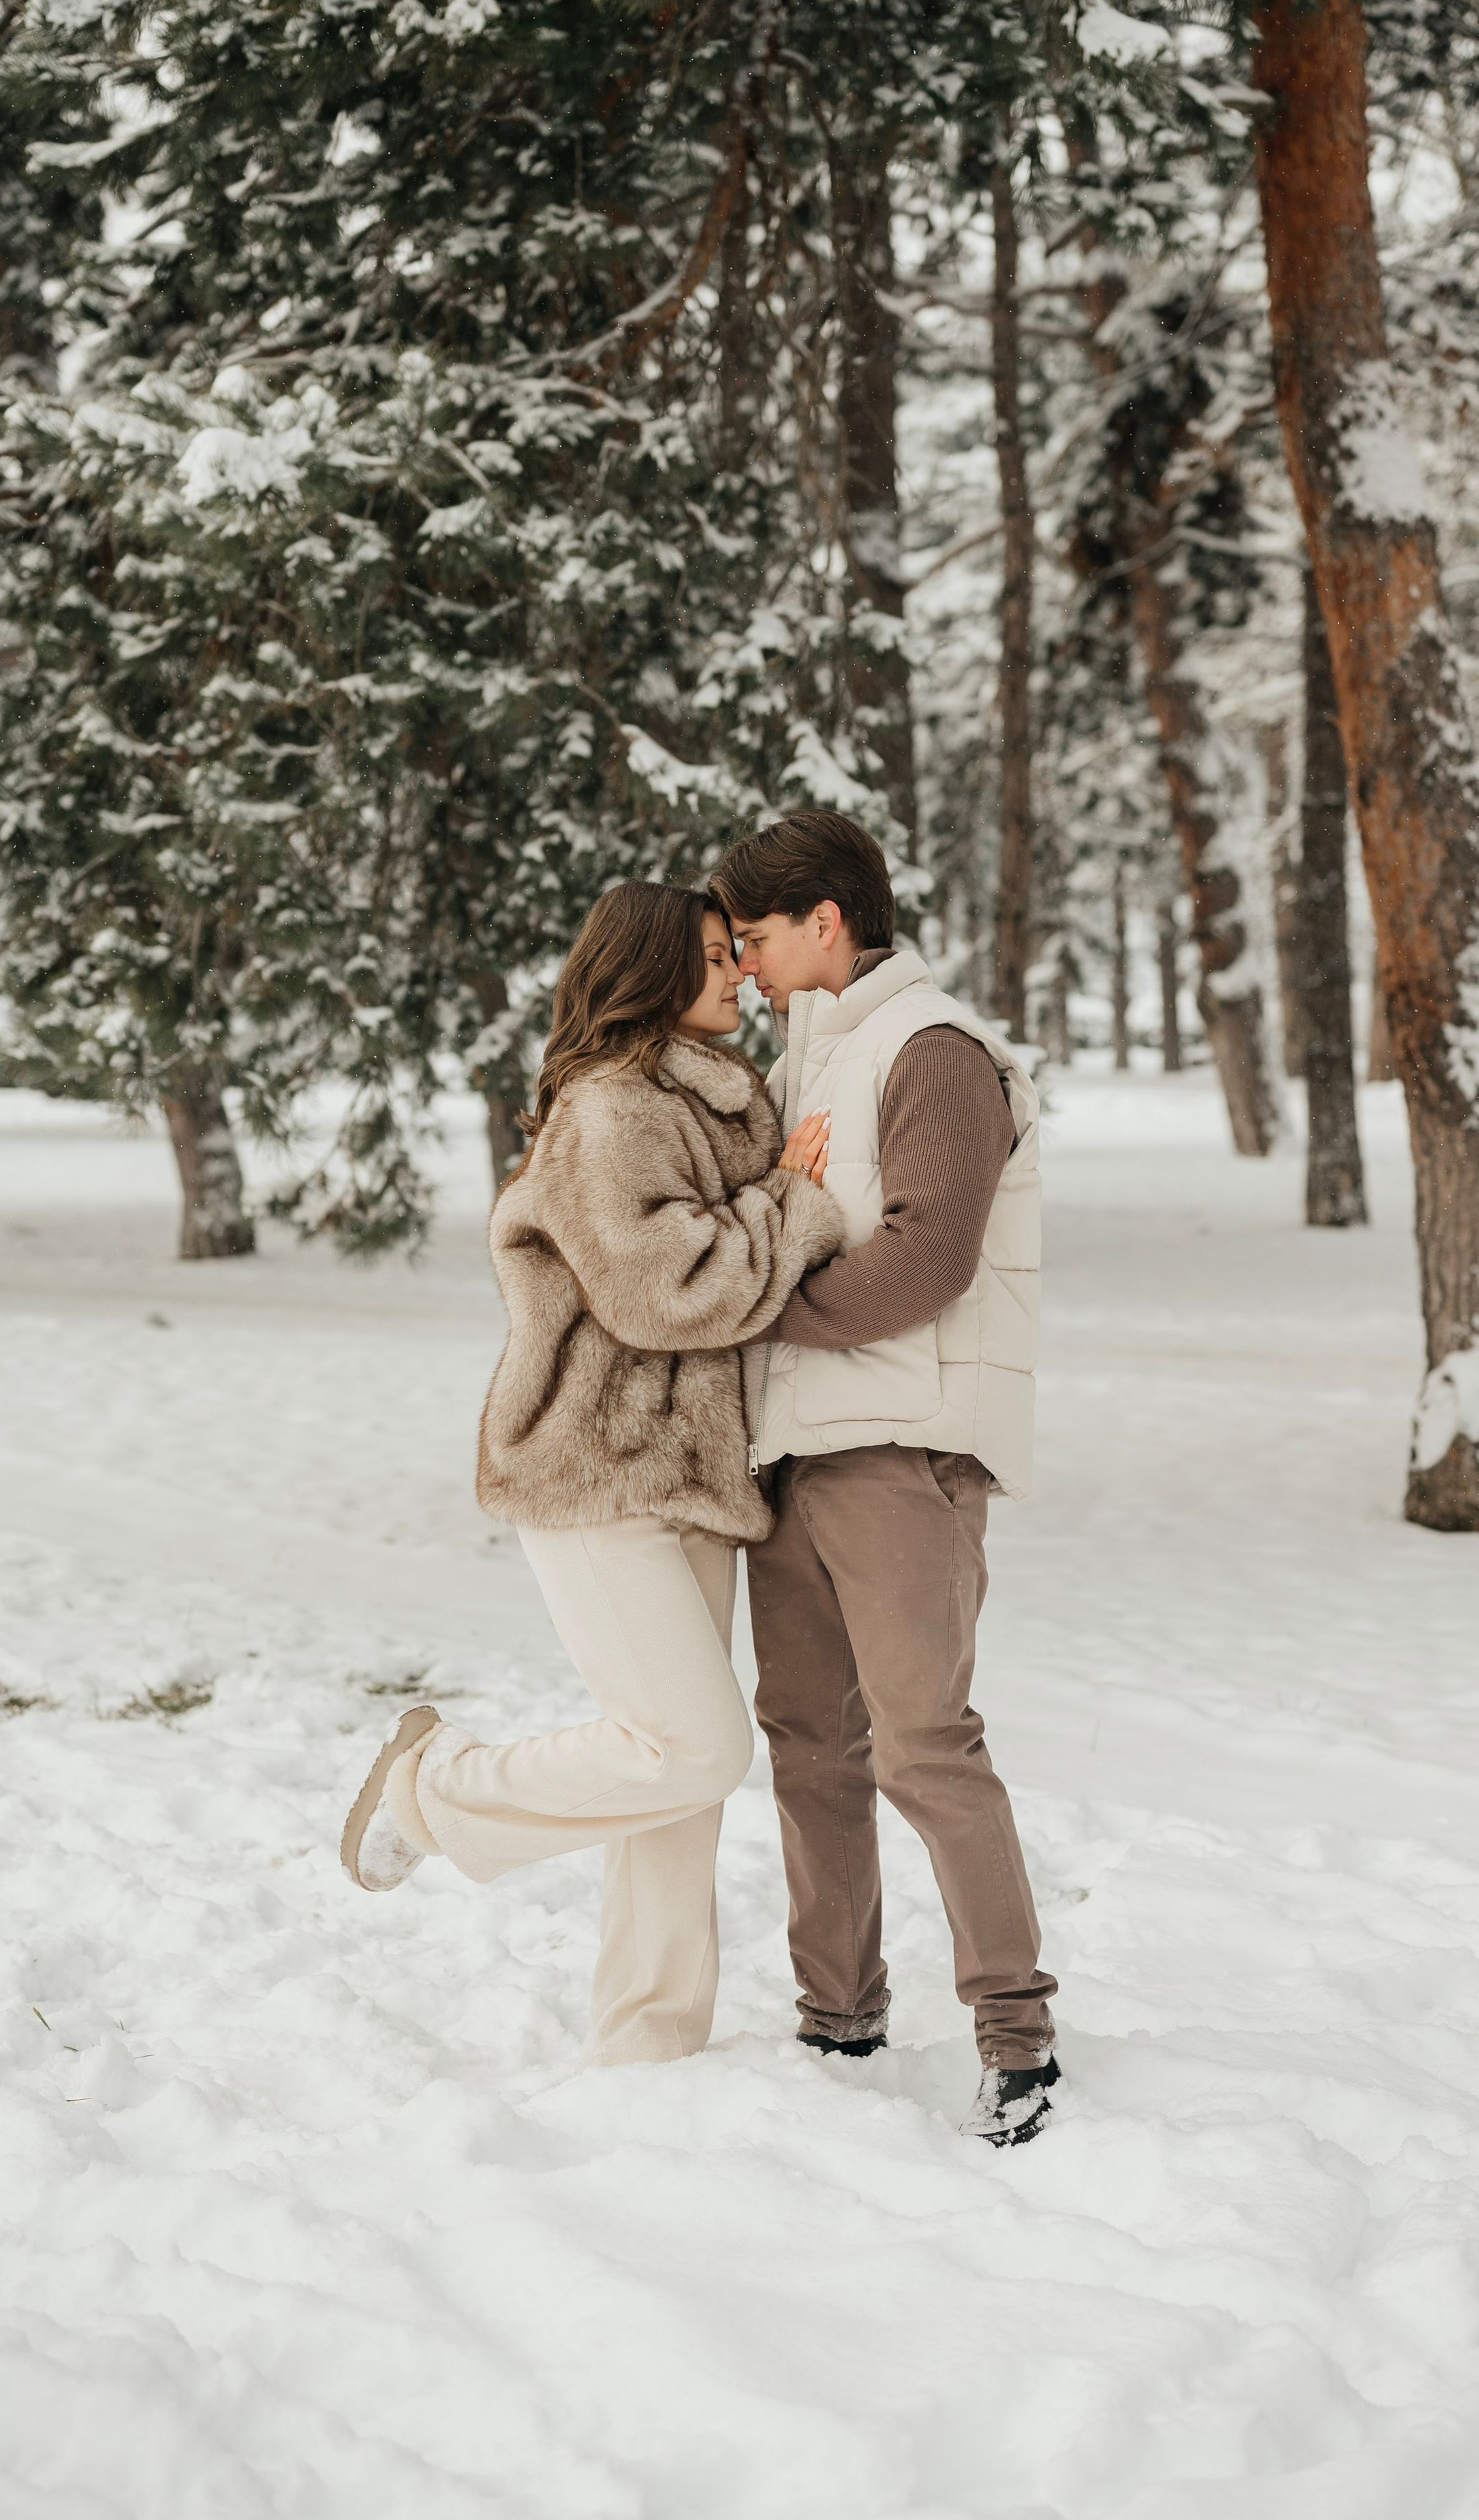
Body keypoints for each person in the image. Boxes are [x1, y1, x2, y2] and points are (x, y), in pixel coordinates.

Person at [338, 880, 844, 2068]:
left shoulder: (724, 1102)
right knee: (695, 1746)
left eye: (738, 954)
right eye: (717, 957)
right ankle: (433, 1789)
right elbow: (662, 1290)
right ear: (654, 970)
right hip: (594, 1466)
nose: (741, 974)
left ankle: (647, 2050)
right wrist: (793, 1205)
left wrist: (777, 1190)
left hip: (700, 1473)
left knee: (677, 1785)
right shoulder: (613, 1108)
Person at [711, 809, 1060, 2148]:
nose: (740, 961)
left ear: (825, 923)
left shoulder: (932, 1050)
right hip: (794, 1455)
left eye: (754, 934)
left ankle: (1016, 2041)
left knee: (924, 1743)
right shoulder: (812, 1066)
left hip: (902, 1450)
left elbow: (925, 1260)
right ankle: (836, 2016)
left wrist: (755, 1309)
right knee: (808, 1745)